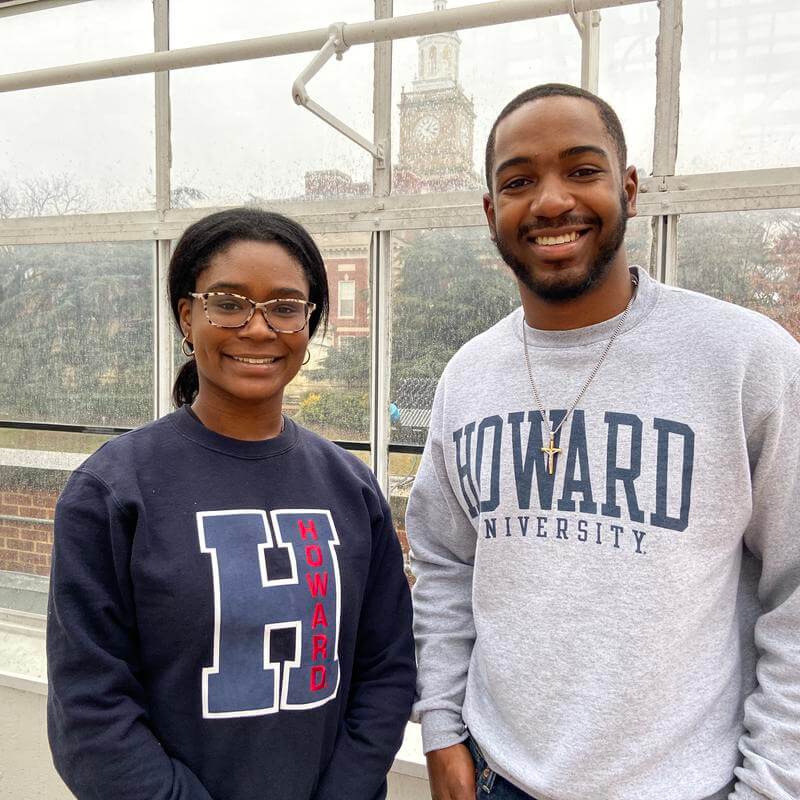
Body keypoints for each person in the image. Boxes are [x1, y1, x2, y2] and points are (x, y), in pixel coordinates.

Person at [406, 83, 800, 800]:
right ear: (491, 213)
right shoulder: (470, 374)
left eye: (582, 170)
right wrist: (440, 726)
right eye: (518, 182)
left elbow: (794, 590)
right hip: (496, 776)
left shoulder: (745, 360)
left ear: (629, 189)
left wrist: (771, 785)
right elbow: (444, 563)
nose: (552, 201)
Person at [47, 208, 416, 800]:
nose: (258, 327)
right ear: (187, 316)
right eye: (228, 303)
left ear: (309, 325)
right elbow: (92, 713)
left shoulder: (351, 487)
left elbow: (386, 669)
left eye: (285, 307)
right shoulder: (112, 491)